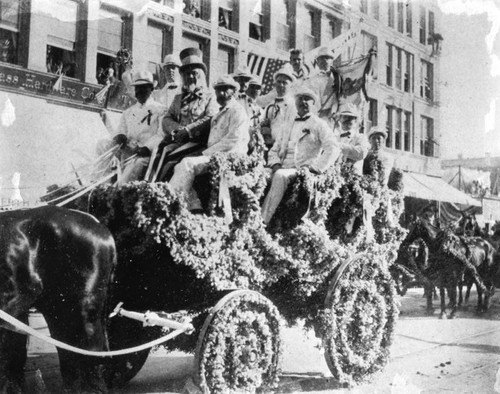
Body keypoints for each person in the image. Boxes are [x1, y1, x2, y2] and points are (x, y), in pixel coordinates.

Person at [169, 75, 249, 211]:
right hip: (215, 155)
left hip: (230, 157)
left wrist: (205, 152)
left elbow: (232, 141)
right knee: (180, 163)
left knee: (187, 164)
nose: (221, 93)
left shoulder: (238, 111)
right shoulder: (219, 113)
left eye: (225, 90)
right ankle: (193, 206)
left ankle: (170, 202)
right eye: (218, 90)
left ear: (233, 92)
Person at [261, 87, 338, 224]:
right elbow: (274, 150)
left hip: (301, 169)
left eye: (307, 99)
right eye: (300, 99)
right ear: (295, 102)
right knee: (259, 174)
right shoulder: (287, 124)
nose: (303, 102)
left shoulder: (319, 124)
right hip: (282, 166)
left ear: (314, 103)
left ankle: (262, 222)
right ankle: (247, 214)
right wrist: (275, 164)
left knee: (280, 176)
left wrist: (314, 168)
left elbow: (333, 148)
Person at [154, 47, 219, 181]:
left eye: (194, 73)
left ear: (200, 75)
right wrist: (177, 129)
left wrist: (188, 130)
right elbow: (167, 118)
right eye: (186, 74)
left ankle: (166, 191)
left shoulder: (210, 97)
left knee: (171, 161)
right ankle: (152, 187)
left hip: (199, 143)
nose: (190, 77)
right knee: (158, 153)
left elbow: (211, 118)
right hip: (180, 141)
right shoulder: (178, 98)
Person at [112, 70, 165, 185]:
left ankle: (119, 191)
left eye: (144, 87)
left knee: (130, 172)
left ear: (151, 89)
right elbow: (121, 129)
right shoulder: (128, 112)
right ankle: (100, 187)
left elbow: (161, 134)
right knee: (105, 148)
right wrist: (120, 136)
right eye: (137, 88)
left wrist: (147, 147)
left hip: (146, 155)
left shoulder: (160, 110)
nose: (140, 91)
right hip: (127, 152)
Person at [258, 66, 296, 150]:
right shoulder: (270, 105)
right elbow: (262, 122)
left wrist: (271, 132)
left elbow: (290, 129)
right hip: (269, 147)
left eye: (284, 83)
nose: (281, 85)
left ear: (290, 86)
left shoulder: (293, 105)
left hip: (285, 147)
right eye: (278, 82)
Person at [306, 47, 340, 124]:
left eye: (327, 58)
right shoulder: (311, 80)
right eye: (321, 58)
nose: (324, 60)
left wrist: (332, 112)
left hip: (331, 118)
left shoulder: (337, 78)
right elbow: (310, 99)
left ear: (332, 61)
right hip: (314, 117)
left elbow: (338, 99)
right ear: (317, 62)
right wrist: (317, 112)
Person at [333, 103, 367, 173]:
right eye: (345, 117)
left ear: (355, 121)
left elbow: (361, 153)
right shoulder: (334, 137)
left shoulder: (360, 137)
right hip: (335, 176)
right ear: (340, 119)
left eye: (351, 117)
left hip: (353, 178)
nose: (347, 119)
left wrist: (338, 146)